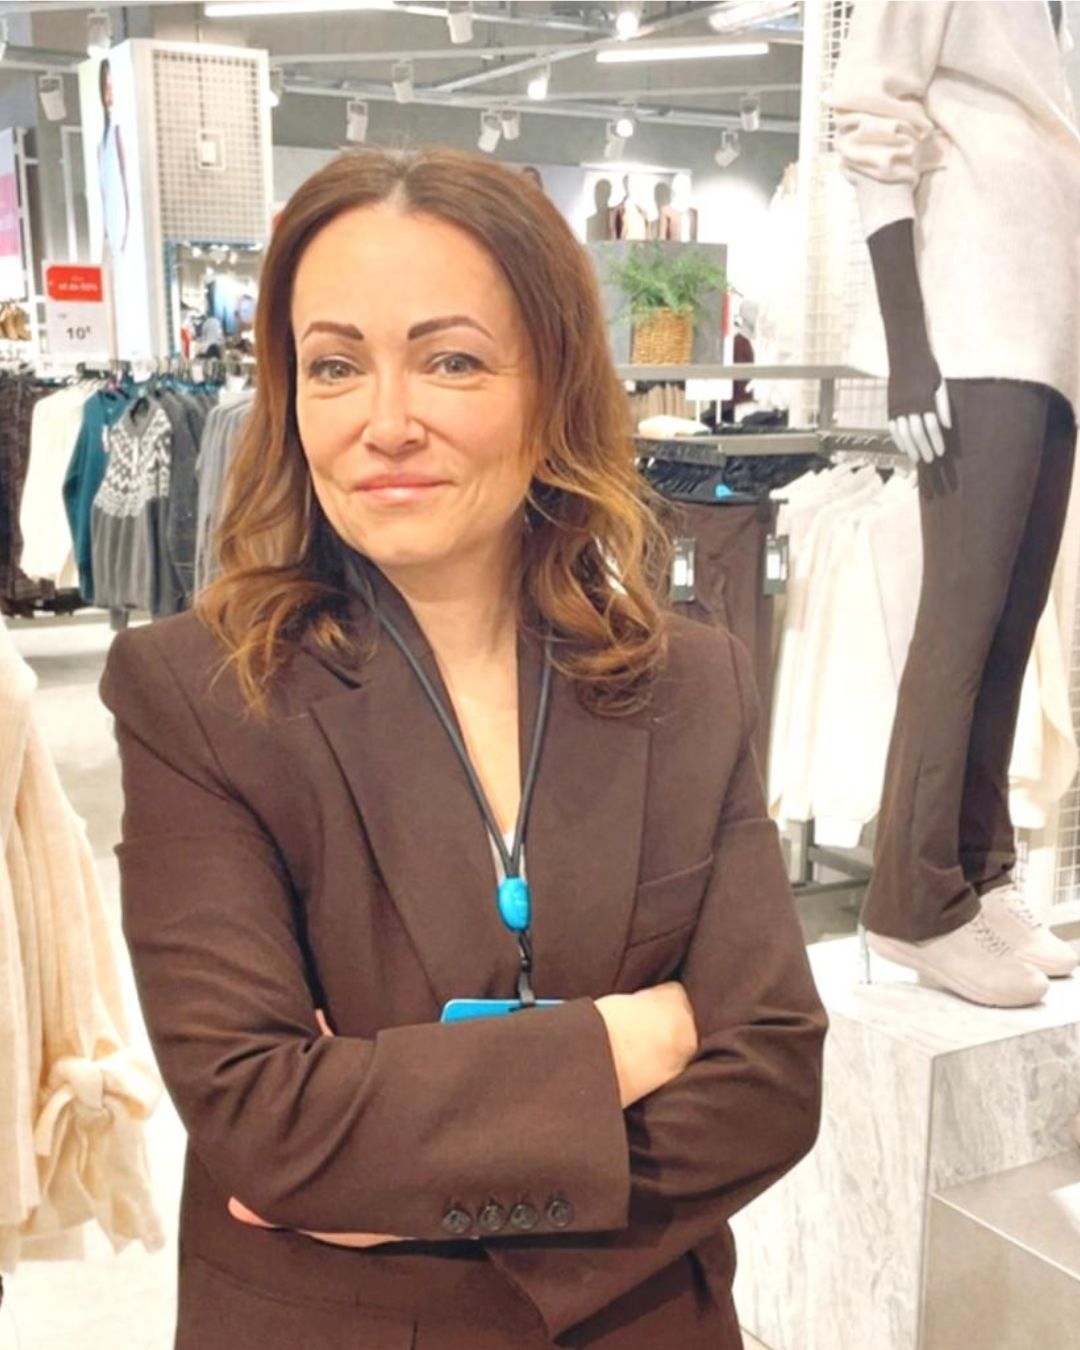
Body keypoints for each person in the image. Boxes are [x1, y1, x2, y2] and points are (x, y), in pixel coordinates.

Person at [100, 146, 826, 1350]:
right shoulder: (202, 695)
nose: (387, 424)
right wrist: (628, 1040)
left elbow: (774, 1080)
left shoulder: (689, 684)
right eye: (336, 366)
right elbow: (264, 1121)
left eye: (452, 361)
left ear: (553, 391)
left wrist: (402, 1167)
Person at [833, 0, 1080, 1006]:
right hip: (975, 329)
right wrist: (909, 346)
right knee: (962, 625)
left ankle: (979, 871)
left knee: (1011, 631)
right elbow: (871, 115)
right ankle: (914, 898)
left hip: (1046, 340)